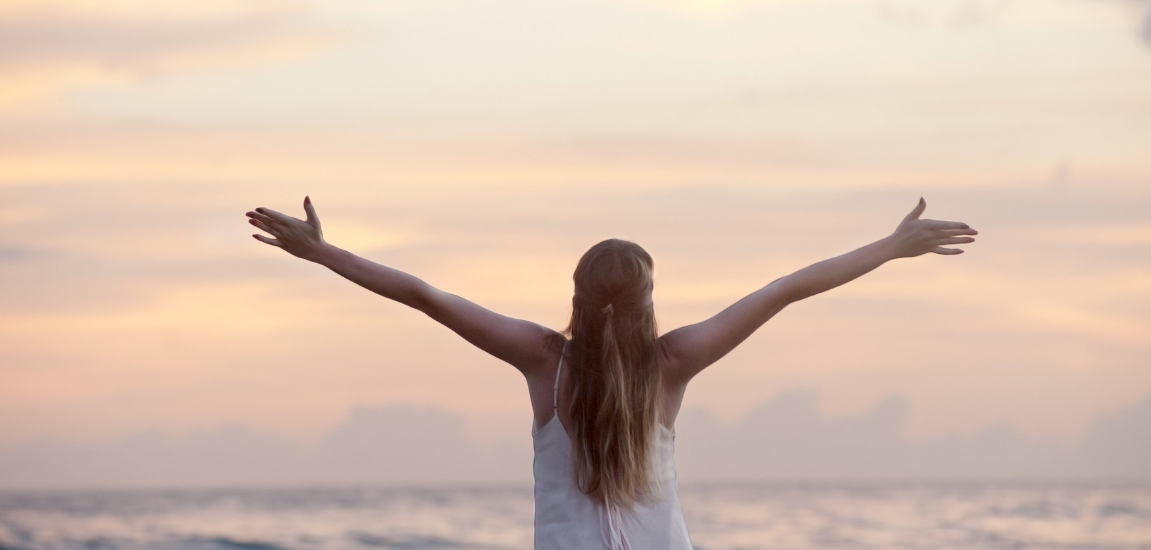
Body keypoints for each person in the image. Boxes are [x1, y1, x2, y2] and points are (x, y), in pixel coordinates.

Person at [246, 196, 976, 549]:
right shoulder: (675, 362)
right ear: (648, 300)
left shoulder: (543, 360)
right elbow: (786, 288)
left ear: (577, 292)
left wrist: (323, 254)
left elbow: (426, 297)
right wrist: (889, 246)